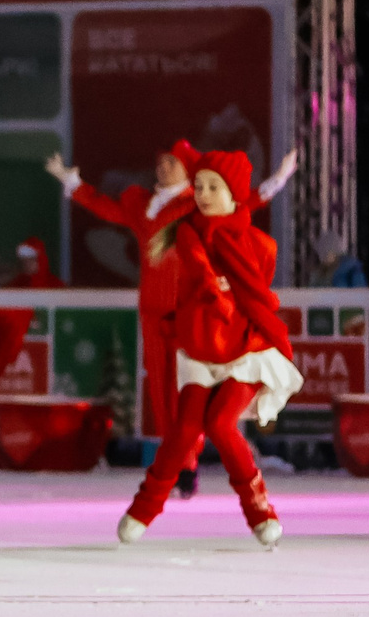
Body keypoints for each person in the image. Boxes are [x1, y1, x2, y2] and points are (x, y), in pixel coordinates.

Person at [49, 141, 294, 493]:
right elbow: (107, 209)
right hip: (152, 310)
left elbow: (243, 203)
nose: (163, 167)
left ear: (187, 169)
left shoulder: (197, 203)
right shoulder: (143, 205)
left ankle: (189, 458)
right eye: (161, 161)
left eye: (172, 162)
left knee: (186, 389)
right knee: (162, 390)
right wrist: (72, 182)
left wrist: (278, 180)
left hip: (187, 309)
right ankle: (179, 458)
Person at [114, 151, 300, 548]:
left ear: (234, 192)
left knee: (219, 423)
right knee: (182, 430)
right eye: (198, 186)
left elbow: (255, 300)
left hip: (243, 351)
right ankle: (144, 508)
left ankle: (260, 511)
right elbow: (188, 289)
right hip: (201, 348)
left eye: (213, 186)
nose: (202, 194)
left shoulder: (260, 245)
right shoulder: (184, 236)